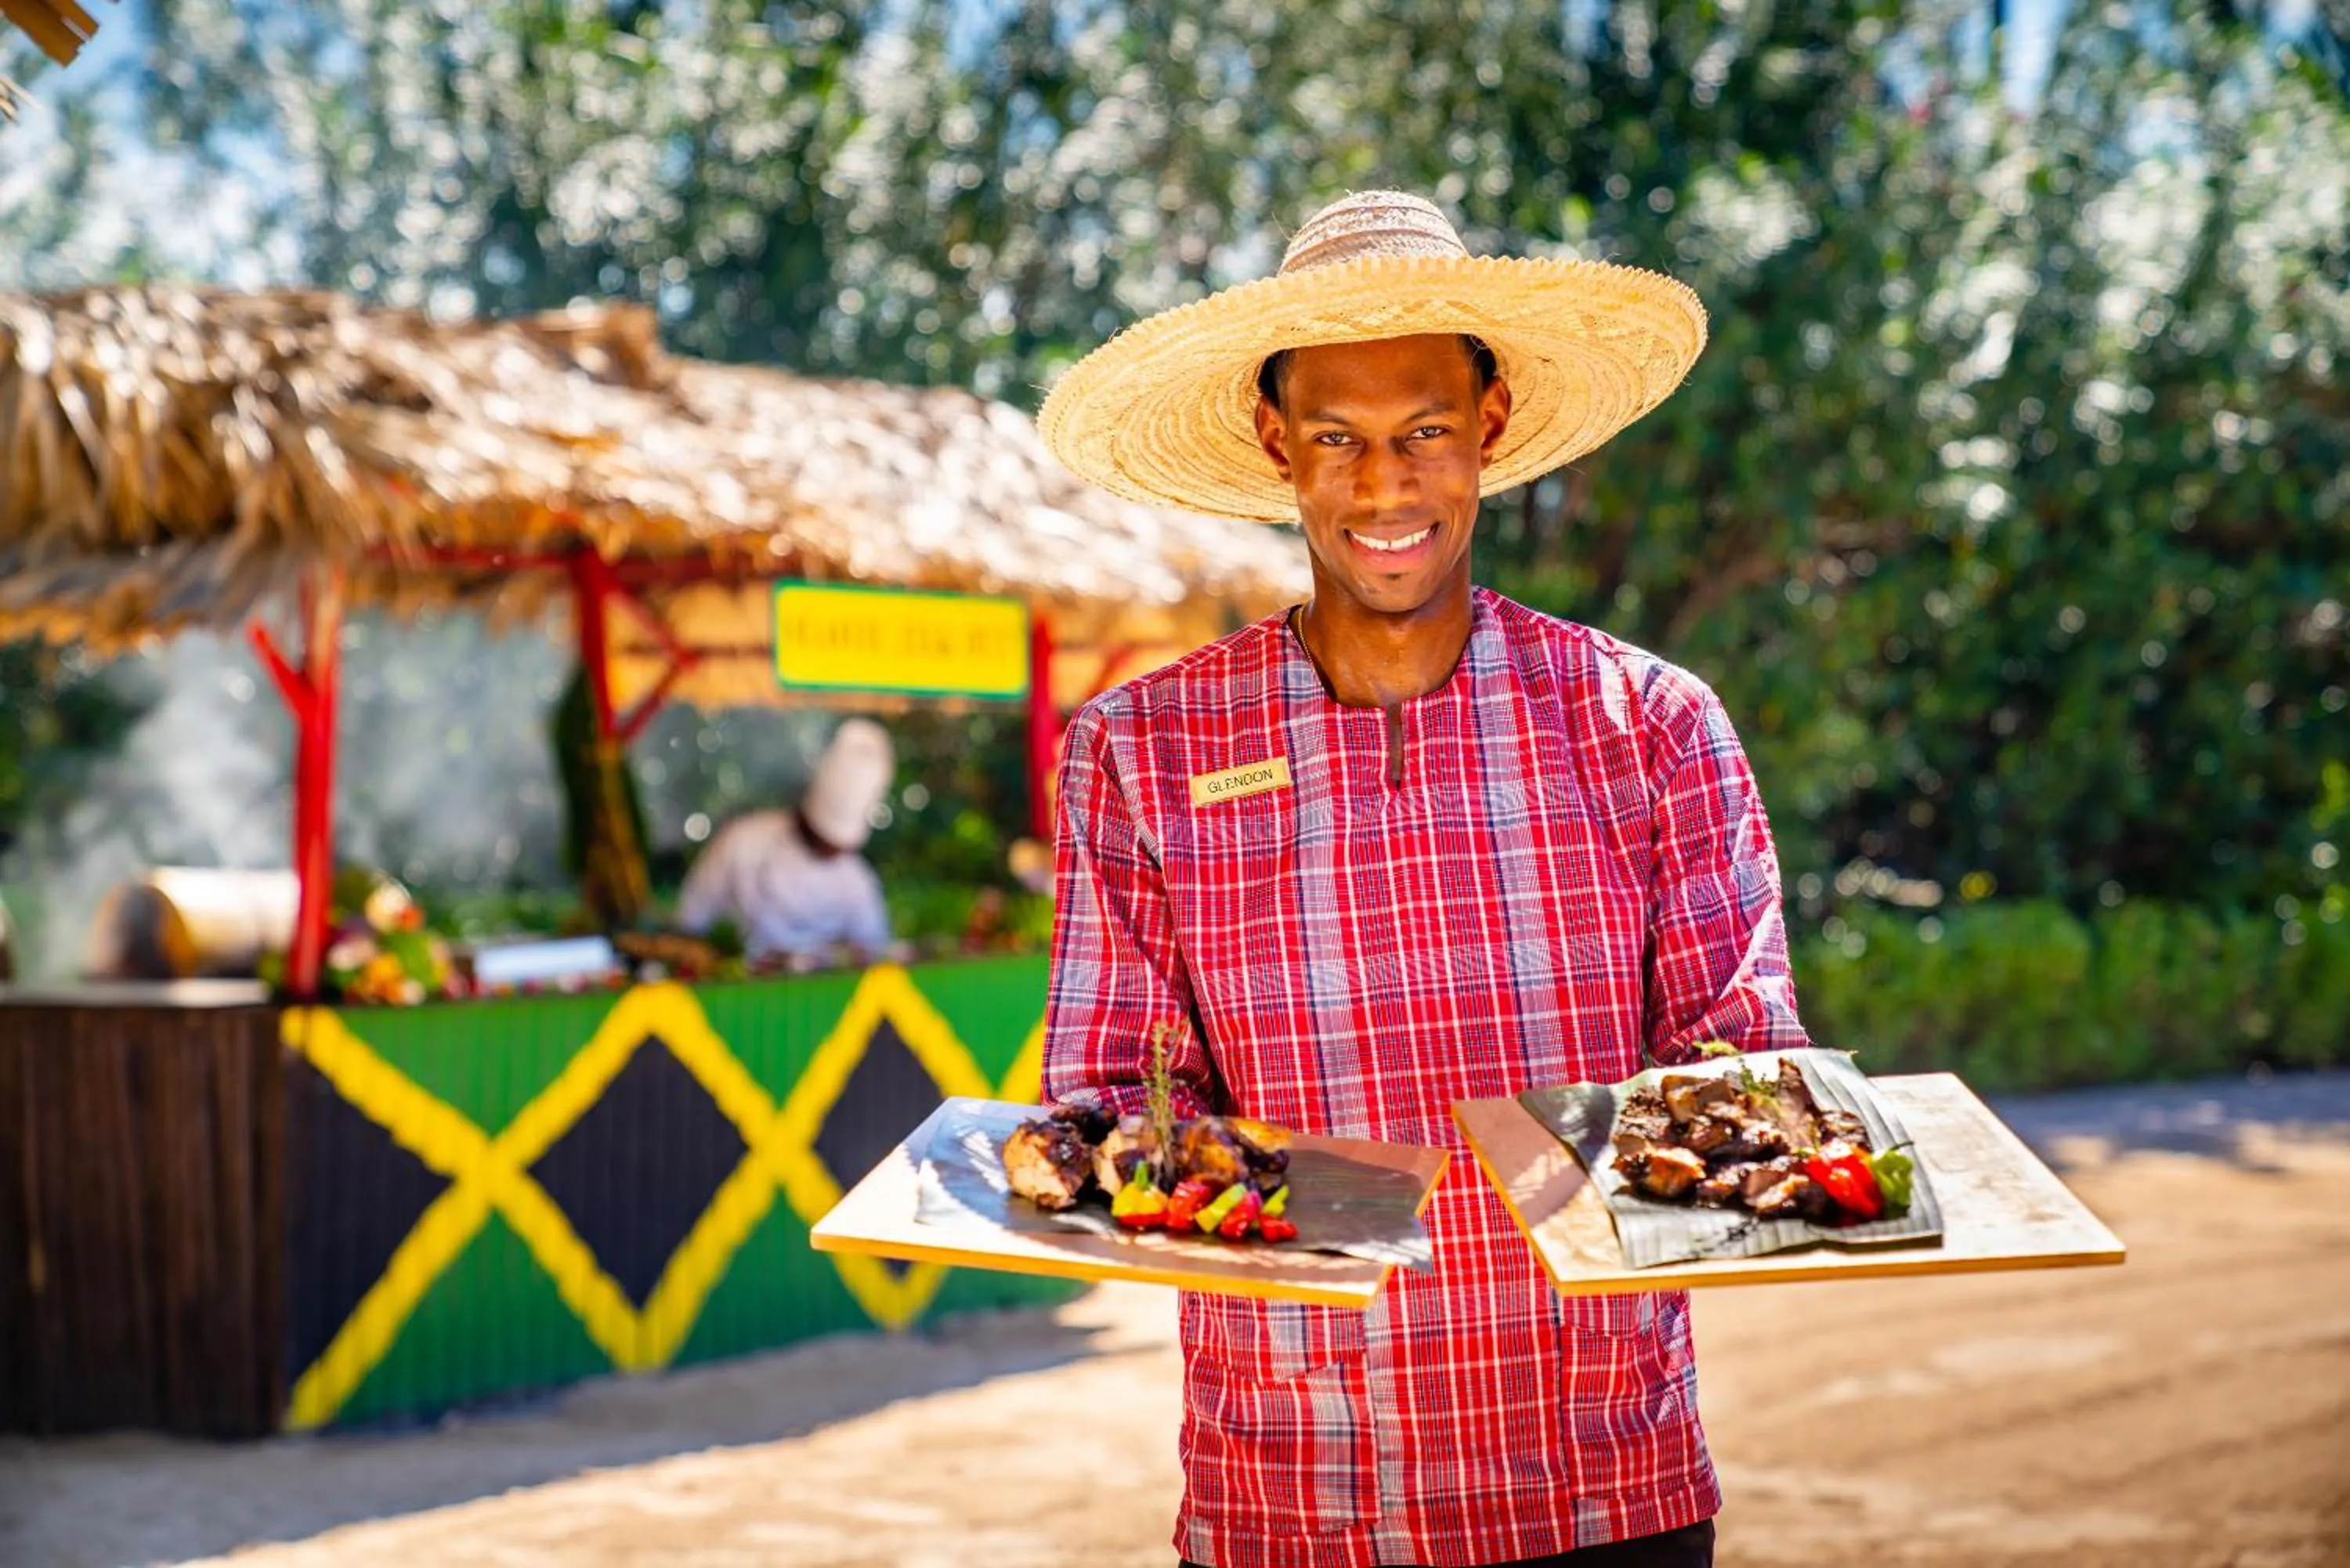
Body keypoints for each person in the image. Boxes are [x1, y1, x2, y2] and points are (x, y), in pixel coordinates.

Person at [1034, 191, 1808, 1568]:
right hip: (1293, 1492)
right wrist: (1351, 1195)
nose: (1385, 484)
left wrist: (1732, 1148)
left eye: (1425, 430)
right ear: (1276, 441)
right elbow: (1114, 1097)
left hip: (1606, 1483)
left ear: (1490, 423)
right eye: (1337, 436)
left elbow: (1748, 1074)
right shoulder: (1140, 751)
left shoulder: (1649, 724)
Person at [676, 717, 895, 962]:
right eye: (818, 839)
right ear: (803, 818)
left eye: (834, 848)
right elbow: (690, 918)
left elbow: (875, 951)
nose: (826, 851)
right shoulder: (742, 841)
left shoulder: (857, 882)